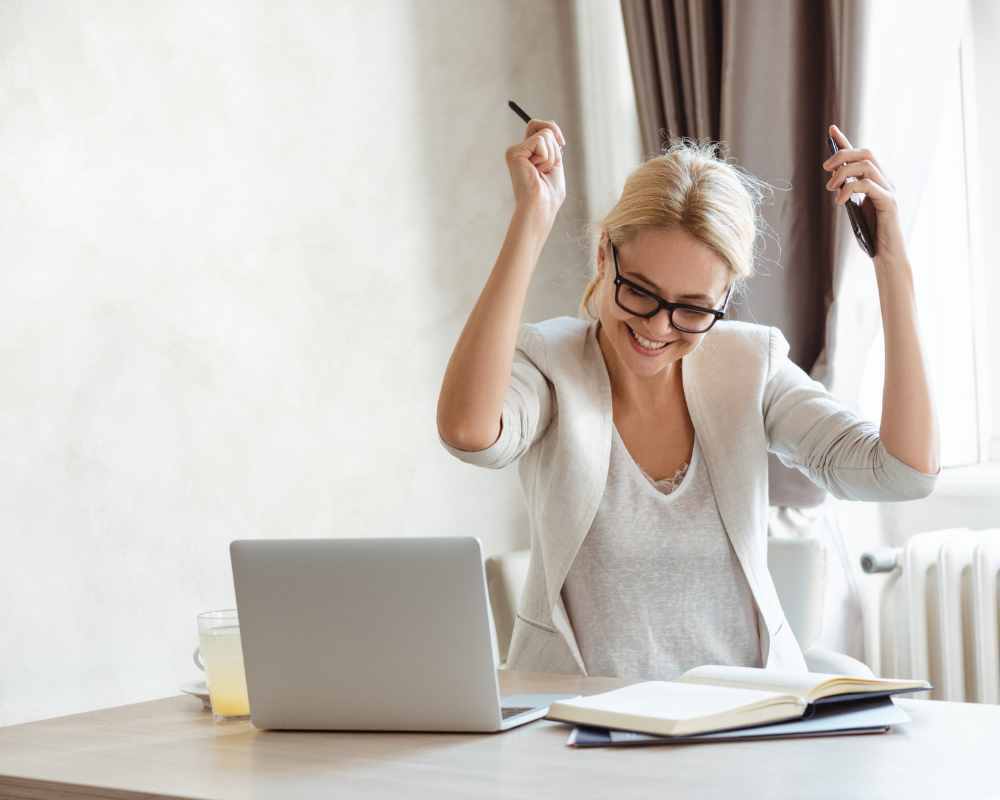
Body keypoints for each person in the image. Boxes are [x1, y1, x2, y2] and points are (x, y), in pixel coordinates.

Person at [436, 119, 939, 679]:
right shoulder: (551, 363)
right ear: (605, 256)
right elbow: (468, 432)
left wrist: (893, 267)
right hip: (582, 732)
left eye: (694, 308)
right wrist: (531, 223)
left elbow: (903, 473)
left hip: (739, 726)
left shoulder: (749, 365)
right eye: (640, 292)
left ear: (725, 297)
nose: (657, 326)